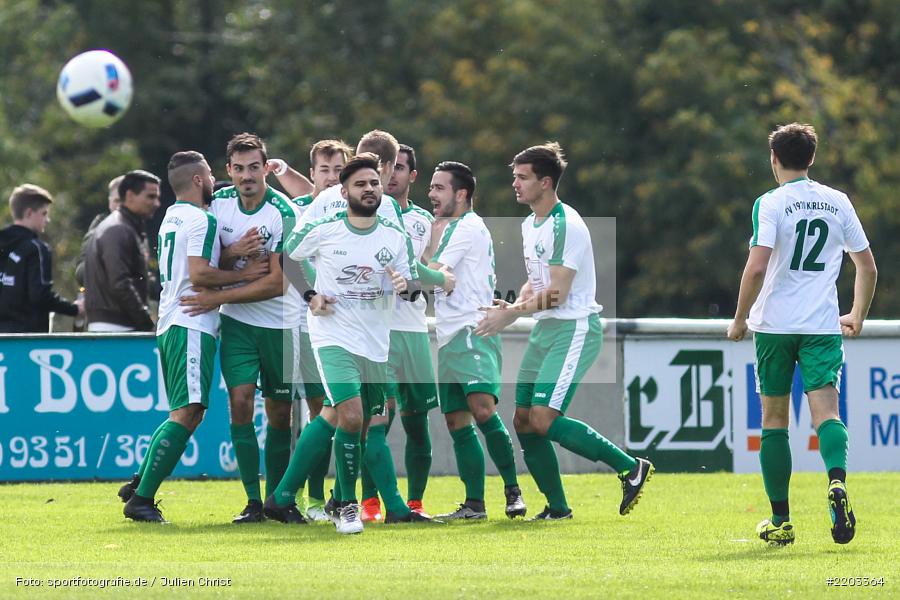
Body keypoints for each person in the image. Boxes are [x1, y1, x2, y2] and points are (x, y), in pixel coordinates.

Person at [477, 143, 653, 520]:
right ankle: (558, 508)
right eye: (514, 177)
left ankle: (629, 467)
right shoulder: (530, 224)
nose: (515, 184)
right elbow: (536, 283)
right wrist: (513, 305)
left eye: (522, 178)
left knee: (541, 417)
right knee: (523, 419)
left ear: (546, 181)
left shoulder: (565, 223)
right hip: (546, 330)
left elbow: (557, 293)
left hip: (573, 329)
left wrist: (511, 316)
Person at [726, 123, 877, 546]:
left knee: (774, 421)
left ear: (774, 160)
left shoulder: (770, 203)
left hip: (774, 325)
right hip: (821, 325)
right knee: (827, 414)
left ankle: (781, 520)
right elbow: (867, 266)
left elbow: (757, 266)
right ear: (811, 159)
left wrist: (739, 319)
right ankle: (836, 481)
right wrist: (857, 315)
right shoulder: (837, 201)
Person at [266, 153, 432, 534]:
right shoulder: (326, 226)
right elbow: (288, 258)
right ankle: (348, 506)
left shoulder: (394, 232)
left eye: (374, 182)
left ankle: (294, 497)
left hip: (376, 342)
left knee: (356, 425)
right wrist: (311, 296)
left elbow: (411, 287)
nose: (370, 189)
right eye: (360, 184)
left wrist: (408, 288)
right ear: (344, 192)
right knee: (353, 416)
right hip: (332, 335)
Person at [121, 151, 267, 522]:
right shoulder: (203, 220)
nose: (217, 179)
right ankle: (141, 499)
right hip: (192, 323)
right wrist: (248, 275)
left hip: (170, 321)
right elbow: (200, 275)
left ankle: (140, 481)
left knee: (183, 411)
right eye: (211, 174)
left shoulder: (172, 216)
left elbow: (190, 264)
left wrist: (232, 252)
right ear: (200, 179)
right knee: (189, 412)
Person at [180, 132, 303, 524]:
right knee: (240, 403)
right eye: (239, 168)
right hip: (238, 326)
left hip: (281, 324)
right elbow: (208, 261)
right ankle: (252, 501)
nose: (247, 175)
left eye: (255, 167)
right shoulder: (217, 206)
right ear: (228, 170)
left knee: (280, 415)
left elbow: (278, 283)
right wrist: (234, 254)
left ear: (266, 168)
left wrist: (220, 297)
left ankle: (277, 500)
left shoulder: (284, 212)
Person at [425, 161, 525, 521]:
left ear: (461, 194)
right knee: (457, 421)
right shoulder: (455, 228)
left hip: (472, 331)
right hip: (450, 334)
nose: (431, 194)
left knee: (483, 410)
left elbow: (436, 272)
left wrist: (401, 270)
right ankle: (474, 505)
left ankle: (513, 490)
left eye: (439, 188)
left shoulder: (464, 228)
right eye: (432, 187)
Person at [271, 139, 353, 522]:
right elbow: (287, 258)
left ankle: (322, 499)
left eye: (339, 170)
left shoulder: (351, 206)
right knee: (309, 411)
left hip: (342, 323)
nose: (333, 177)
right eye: (325, 170)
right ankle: (295, 497)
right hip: (300, 323)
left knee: (330, 410)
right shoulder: (301, 209)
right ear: (314, 173)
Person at [368, 143, 440, 519]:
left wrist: (427, 281)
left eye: (399, 168)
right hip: (378, 330)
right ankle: (370, 502)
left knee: (416, 420)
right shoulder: (365, 210)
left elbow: (424, 270)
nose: (391, 173)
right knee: (376, 418)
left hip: (412, 329)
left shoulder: (424, 221)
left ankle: (415, 502)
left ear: (412, 176)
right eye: (388, 166)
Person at [84, 170, 161, 331]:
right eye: (150, 197)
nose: (156, 203)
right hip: (115, 327)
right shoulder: (118, 229)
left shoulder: (126, 227)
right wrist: (146, 322)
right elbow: (120, 283)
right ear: (130, 196)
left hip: (118, 324)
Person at [0, 184, 83, 332]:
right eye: (44, 213)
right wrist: (74, 309)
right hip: (27, 338)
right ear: (29, 213)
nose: (48, 219)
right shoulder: (36, 248)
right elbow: (40, 296)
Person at [75, 175, 124, 288]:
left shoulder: (138, 231)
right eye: (116, 201)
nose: (120, 206)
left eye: (124, 201)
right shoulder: (99, 230)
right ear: (109, 202)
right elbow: (81, 273)